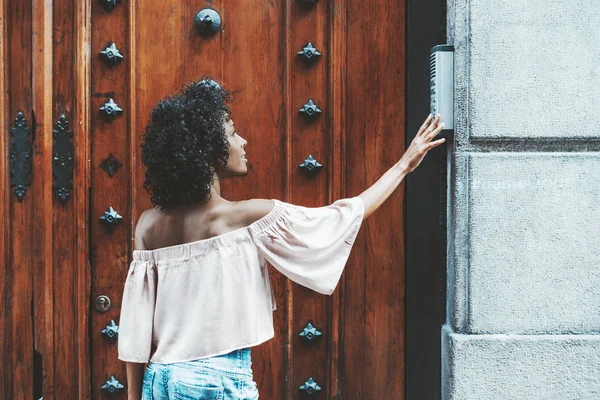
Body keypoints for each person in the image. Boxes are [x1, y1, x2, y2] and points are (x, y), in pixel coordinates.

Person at [117, 78, 446, 400]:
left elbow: (136, 326)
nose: (243, 141)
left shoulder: (148, 226)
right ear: (211, 152)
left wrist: (135, 394)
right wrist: (403, 166)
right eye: (232, 133)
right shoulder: (245, 217)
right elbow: (340, 218)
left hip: (159, 379)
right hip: (217, 381)